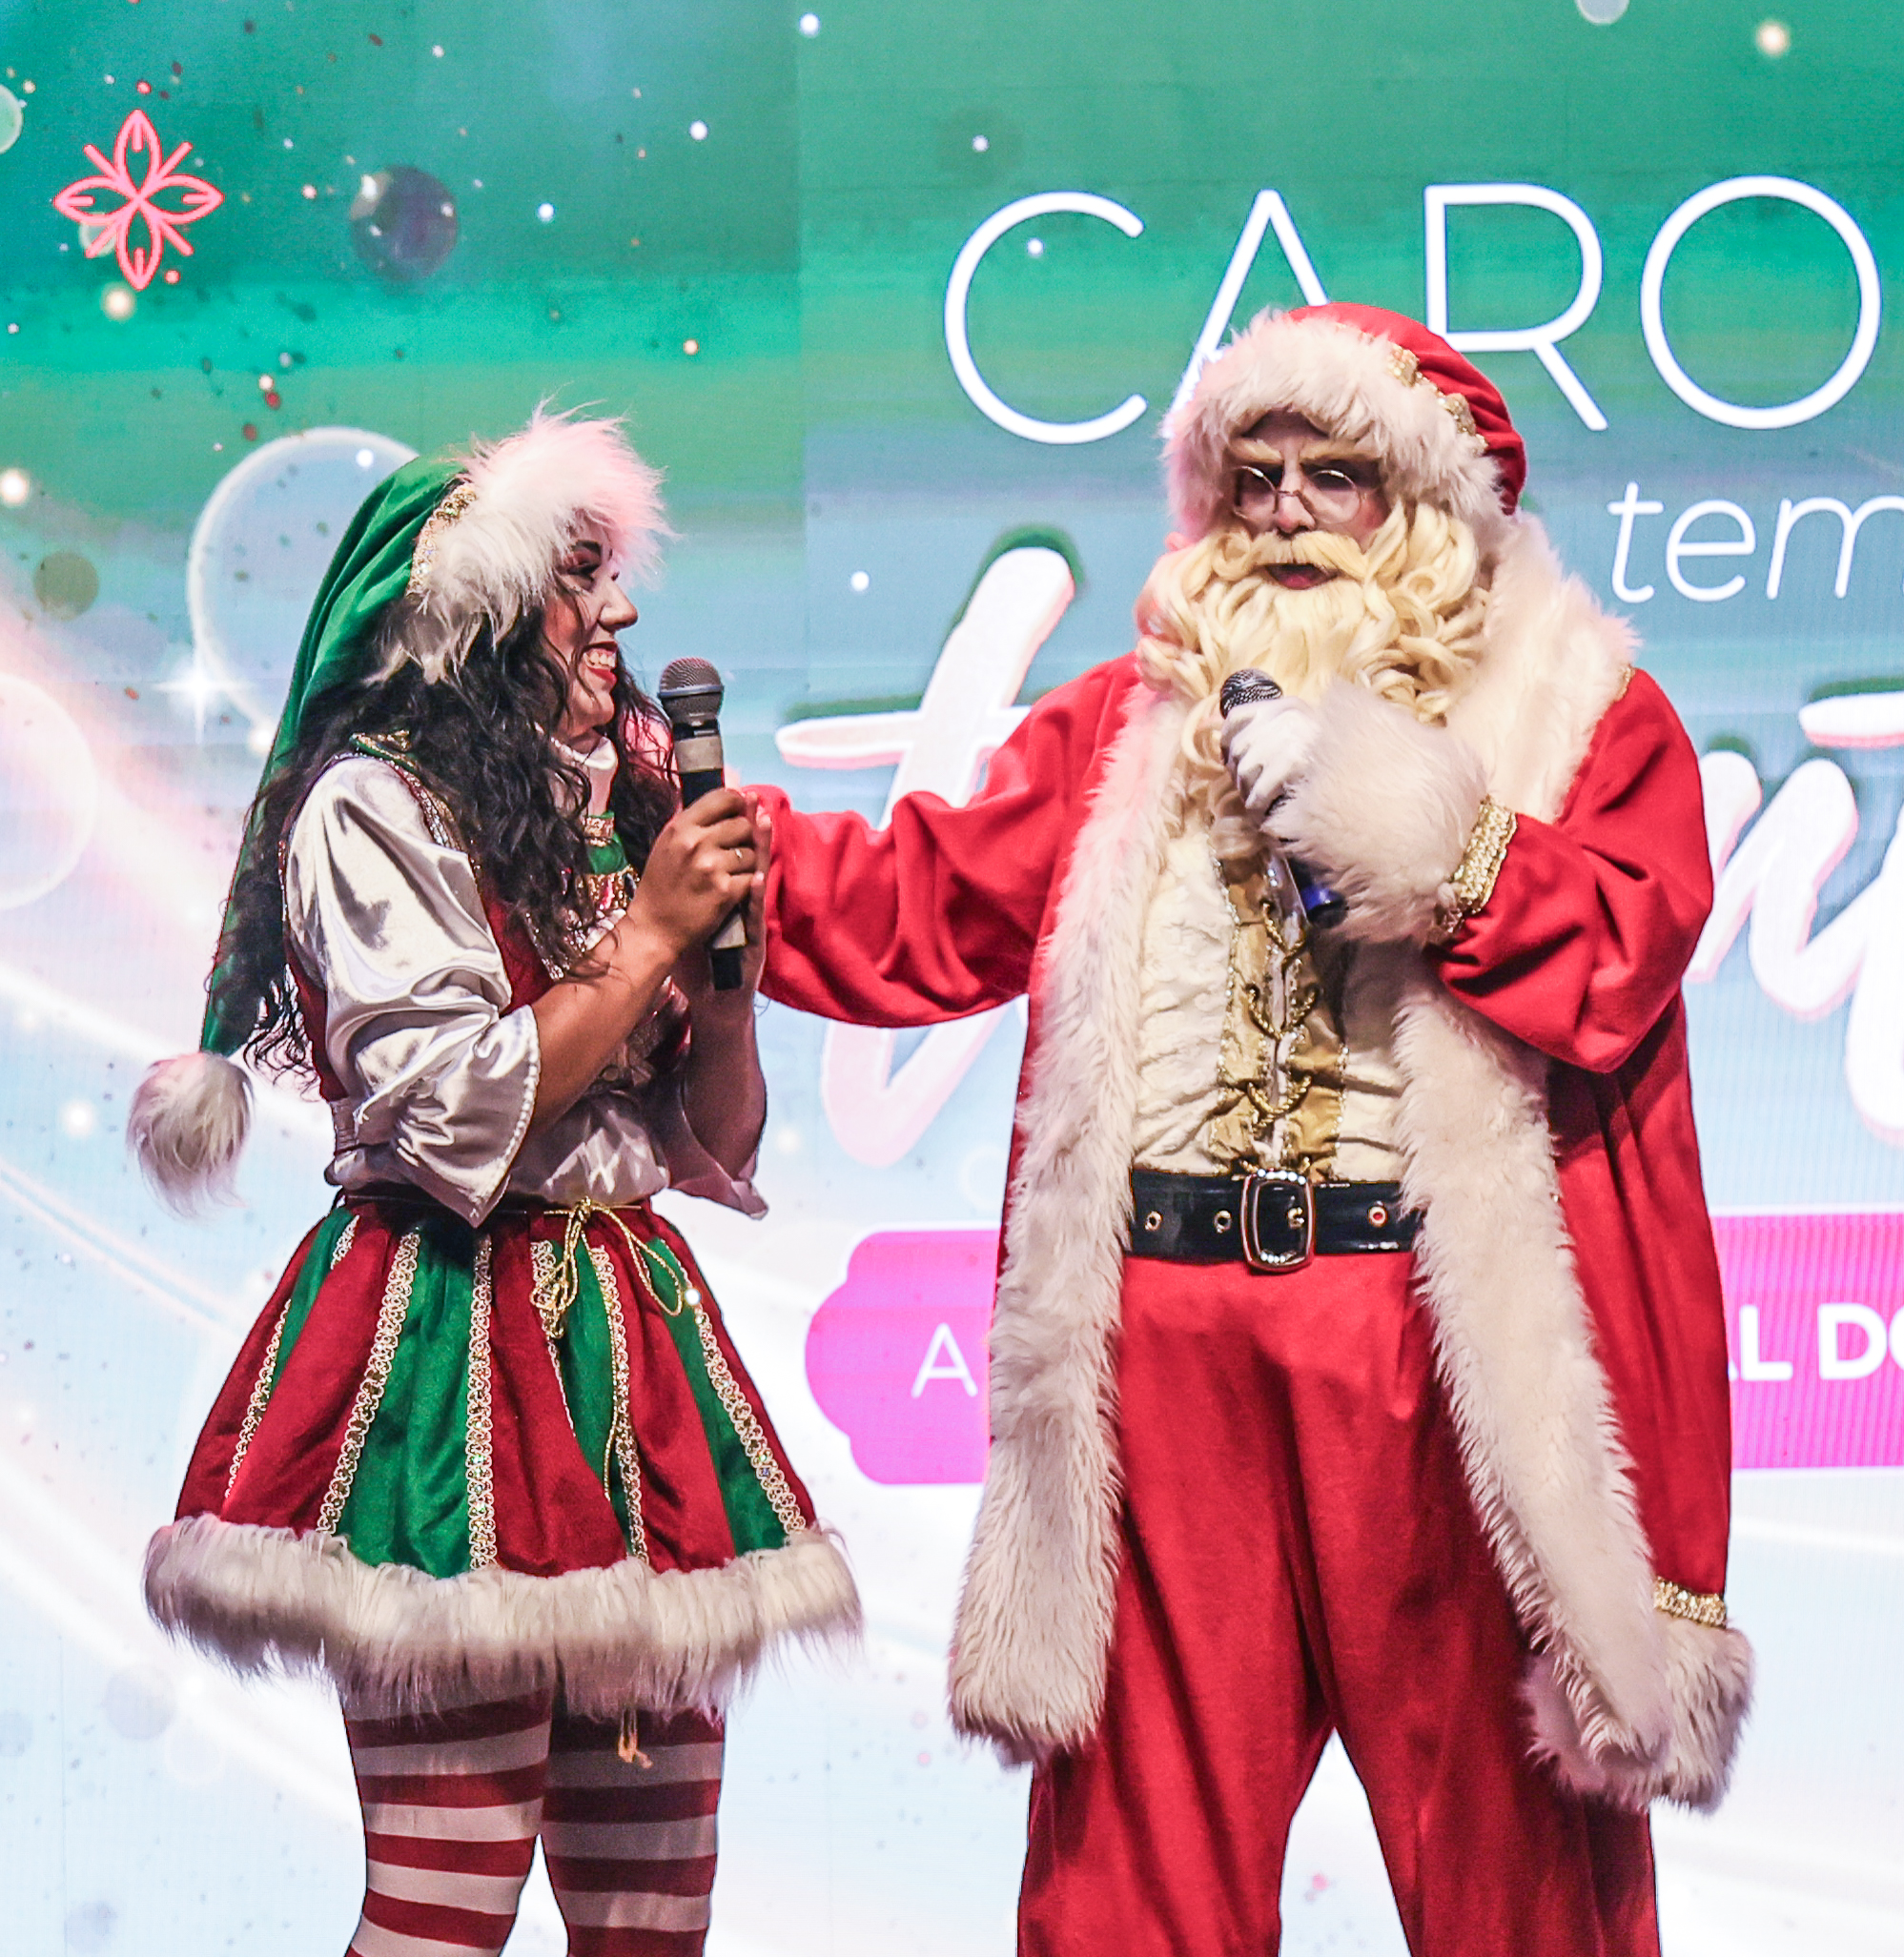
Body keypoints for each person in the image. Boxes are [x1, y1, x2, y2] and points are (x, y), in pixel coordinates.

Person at [750, 304, 1749, 1951]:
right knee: (1135, 1868)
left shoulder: (1577, 716)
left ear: (1427, 503)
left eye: (1331, 474)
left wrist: (1402, 819)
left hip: (1424, 1346)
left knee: (1510, 1863)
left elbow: (1625, 942)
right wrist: (708, 851)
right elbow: (921, 903)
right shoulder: (1126, 726)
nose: (1283, 513)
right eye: (1252, 477)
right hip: (1165, 1341)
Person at [128, 410, 859, 1957]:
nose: (624, 610)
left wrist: (721, 990)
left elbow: (709, 1143)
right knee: (441, 1913)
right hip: (446, 1340)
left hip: (627, 1345)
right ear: (478, 605)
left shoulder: (616, 803)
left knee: (655, 1918)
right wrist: (649, 937)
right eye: (580, 575)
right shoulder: (373, 805)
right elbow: (454, 1109)